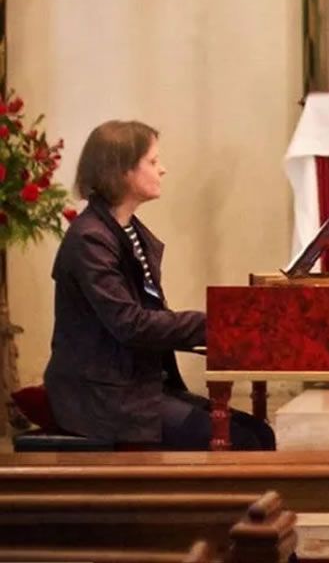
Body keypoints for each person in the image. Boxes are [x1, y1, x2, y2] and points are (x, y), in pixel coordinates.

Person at [44, 120, 275, 450]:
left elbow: (147, 317)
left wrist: (219, 331)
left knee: (260, 433)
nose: (162, 169)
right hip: (104, 396)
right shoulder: (90, 240)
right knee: (245, 441)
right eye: (152, 162)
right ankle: (224, 504)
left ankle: (237, 504)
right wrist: (212, 324)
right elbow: (131, 325)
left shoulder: (124, 230)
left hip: (136, 385)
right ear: (122, 171)